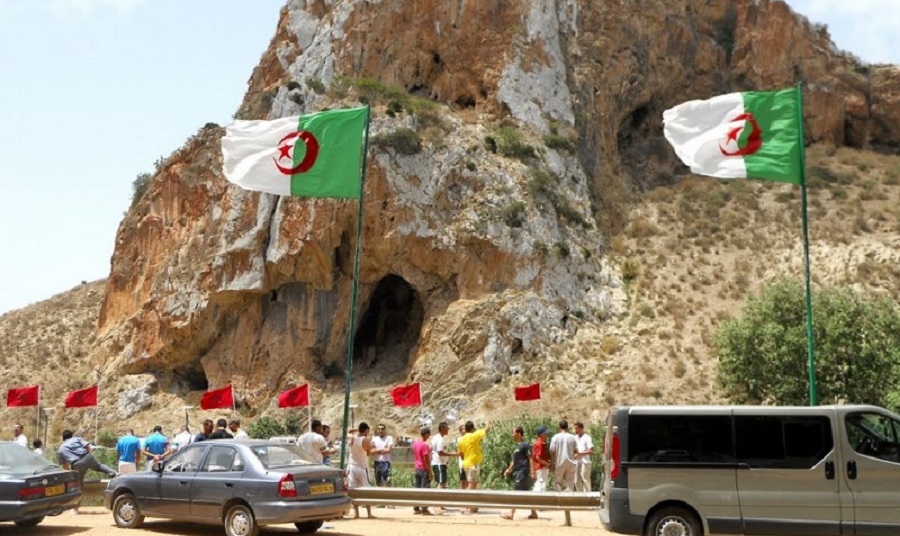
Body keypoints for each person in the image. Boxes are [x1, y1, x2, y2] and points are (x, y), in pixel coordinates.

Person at [58, 429, 117, 514]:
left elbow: (65, 466)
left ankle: (75, 509)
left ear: (63, 438)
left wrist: (71, 475)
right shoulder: (77, 439)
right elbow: (88, 447)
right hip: (87, 456)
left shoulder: (61, 449)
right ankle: (114, 473)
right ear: (71, 435)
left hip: (76, 464)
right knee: (98, 466)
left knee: (78, 486)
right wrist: (88, 455)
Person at [501, 426, 536, 520]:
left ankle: (511, 513)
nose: (512, 435)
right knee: (526, 493)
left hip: (522, 472)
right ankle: (534, 512)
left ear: (519, 433)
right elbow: (514, 460)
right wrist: (509, 469)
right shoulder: (517, 446)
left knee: (516, 493)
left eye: (514, 433)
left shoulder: (525, 445)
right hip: (518, 472)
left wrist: (533, 471)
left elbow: (531, 458)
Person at [457, 420, 491, 514]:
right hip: (473, 464)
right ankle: (466, 506)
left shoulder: (461, 440)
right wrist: (487, 422)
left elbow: (461, 454)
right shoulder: (474, 435)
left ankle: (472, 507)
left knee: (473, 485)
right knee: (471, 486)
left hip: (466, 464)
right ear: (472, 428)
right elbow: (486, 430)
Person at [346, 422, 375, 519]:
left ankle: (356, 513)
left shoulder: (352, 437)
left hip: (352, 466)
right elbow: (368, 453)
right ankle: (369, 513)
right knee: (367, 489)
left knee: (354, 489)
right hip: (362, 467)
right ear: (366, 430)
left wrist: (357, 430)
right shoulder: (366, 440)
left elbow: (348, 431)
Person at [430, 421, 456, 515]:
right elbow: (440, 452)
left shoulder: (437, 438)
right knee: (441, 484)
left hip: (441, 463)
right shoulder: (439, 439)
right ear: (442, 429)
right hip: (439, 463)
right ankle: (436, 505)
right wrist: (453, 454)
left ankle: (440, 504)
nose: (448, 430)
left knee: (443, 483)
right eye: (446, 428)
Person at [549, 420, 578, 491]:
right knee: (570, 482)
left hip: (559, 461)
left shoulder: (555, 437)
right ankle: (569, 499)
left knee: (558, 481)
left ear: (559, 427)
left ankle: (558, 499)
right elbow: (576, 450)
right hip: (571, 462)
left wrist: (552, 462)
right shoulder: (572, 437)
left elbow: (552, 451)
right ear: (567, 427)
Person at [531, 425, 551, 518]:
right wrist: (546, 463)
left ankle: (539, 503)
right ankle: (536, 502)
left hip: (542, 466)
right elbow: (537, 457)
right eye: (545, 433)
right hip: (541, 467)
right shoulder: (539, 444)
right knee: (540, 484)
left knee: (542, 484)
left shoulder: (541, 443)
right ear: (541, 434)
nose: (547, 435)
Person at [412, 427, 433, 515]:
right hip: (424, 469)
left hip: (417, 468)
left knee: (417, 488)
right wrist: (430, 471)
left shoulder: (415, 444)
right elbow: (426, 459)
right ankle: (424, 509)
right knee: (425, 489)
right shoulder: (425, 445)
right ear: (427, 434)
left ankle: (416, 508)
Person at [574, 421, 595, 492]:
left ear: (581, 428)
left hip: (585, 462)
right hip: (577, 462)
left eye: (576, 428)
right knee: (576, 481)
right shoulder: (575, 438)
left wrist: (580, 453)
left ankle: (589, 496)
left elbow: (591, 451)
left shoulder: (587, 438)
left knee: (585, 479)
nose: (575, 430)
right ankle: (579, 497)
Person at [455, 424, 467, 490]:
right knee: (463, 479)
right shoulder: (460, 439)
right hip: (463, 461)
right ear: (460, 431)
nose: (465, 430)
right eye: (464, 429)